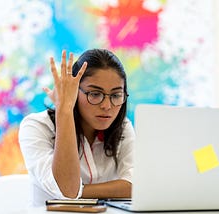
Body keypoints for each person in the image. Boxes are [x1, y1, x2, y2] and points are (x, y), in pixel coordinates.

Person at [19, 48, 135, 206]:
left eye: (115, 95)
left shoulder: (123, 127)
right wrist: (64, 109)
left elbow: (134, 187)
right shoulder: (36, 126)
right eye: (95, 94)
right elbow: (66, 188)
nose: (107, 106)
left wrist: (77, 192)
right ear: (73, 90)